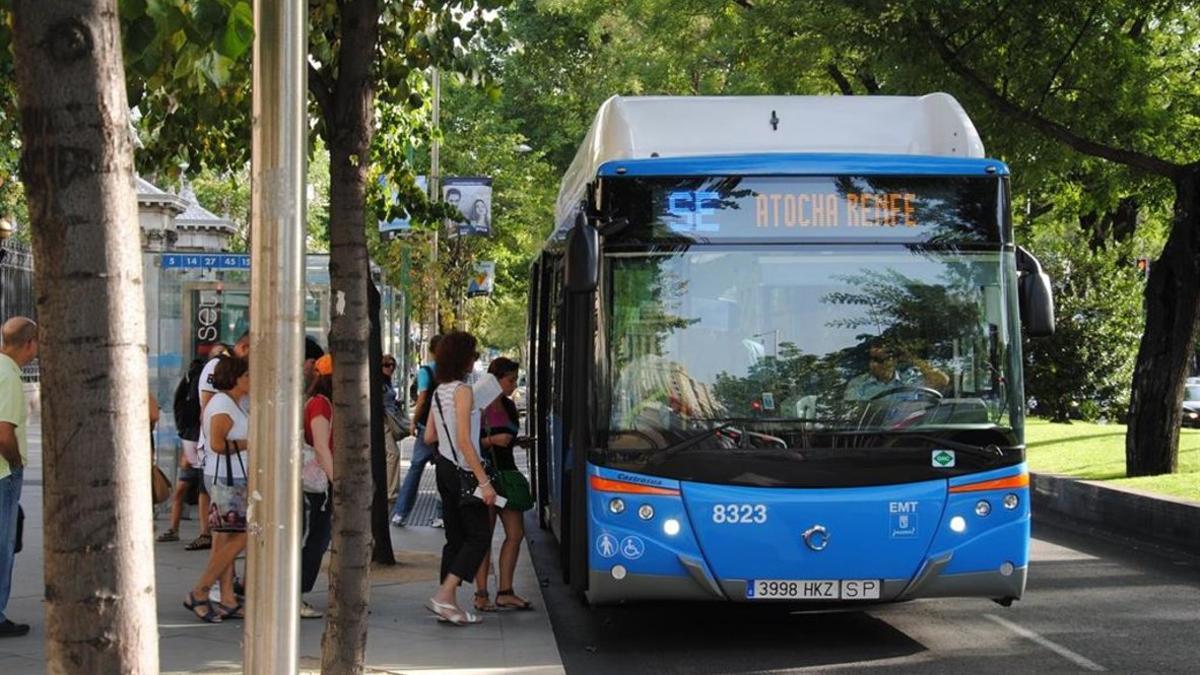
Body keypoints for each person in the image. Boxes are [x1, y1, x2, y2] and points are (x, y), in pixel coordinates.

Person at [424, 331, 494, 626]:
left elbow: (429, 435)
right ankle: (444, 593)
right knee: (479, 536)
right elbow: (465, 440)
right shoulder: (463, 391)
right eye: (473, 353)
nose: (475, 359)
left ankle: (448, 604)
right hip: (465, 471)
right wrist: (484, 481)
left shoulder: (440, 391)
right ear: (463, 358)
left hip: (444, 470)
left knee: (454, 538)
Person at [472, 358, 533, 612]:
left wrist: (516, 441)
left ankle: (505, 591)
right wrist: (491, 441)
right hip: (485, 476)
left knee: (515, 533)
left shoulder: (509, 406)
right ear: (495, 379)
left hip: (507, 474)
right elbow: (468, 442)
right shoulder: (478, 406)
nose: (512, 386)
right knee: (483, 536)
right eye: (509, 380)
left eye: (515, 380)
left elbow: (506, 438)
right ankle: (482, 593)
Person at [0, 317, 37, 638]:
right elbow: (4, 432)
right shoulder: (9, 376)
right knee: (4, 544)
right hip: (2, 474)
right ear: (30, 344)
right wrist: (14, 464)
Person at [158, 358, 212, 548]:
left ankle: (205, 532)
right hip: (193, 439)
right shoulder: (194, 381)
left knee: (201, 491)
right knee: (184, 488)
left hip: (200, 442)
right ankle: (175, 529)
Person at [392, 335, 444, 527]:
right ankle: (441, 514)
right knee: (443, 472)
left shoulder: (426, 372)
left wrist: (413, 422)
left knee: (415, 469)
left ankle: (400, 513)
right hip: (446, 430)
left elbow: (422, 400)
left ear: (431, 351)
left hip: (426, 427)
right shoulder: (454, 372)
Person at [300, 354, 335, 619]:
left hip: (322, 482)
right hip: (320, 484)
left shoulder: (320, 402)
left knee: (318, 537)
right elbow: (321, 446)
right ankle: (297, 592)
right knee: (316, 538)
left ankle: (297, 592)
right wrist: (338, 481)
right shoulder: (321, 405)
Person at [843, 340, 948, 402]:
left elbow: (942, 381)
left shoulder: (910, 378)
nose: (873, 364)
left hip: (912, 433)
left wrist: (913, 359)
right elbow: (853, 414)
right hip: (872, 433)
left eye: (879, 360)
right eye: (870, 359)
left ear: (893, 360)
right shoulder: (858, 384)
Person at [382, 354, 404, 499]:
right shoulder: (378, 382)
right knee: (393, 454)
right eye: (387, 365)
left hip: (392, 418)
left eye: (393, 365)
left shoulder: (387, 382)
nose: (390, 368)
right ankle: (391, 492)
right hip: (384, 421)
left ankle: (391, 490)